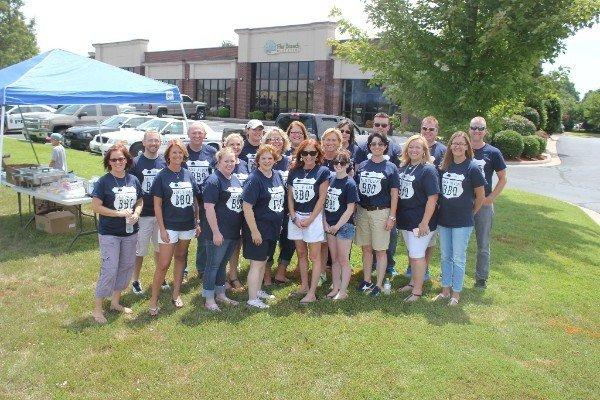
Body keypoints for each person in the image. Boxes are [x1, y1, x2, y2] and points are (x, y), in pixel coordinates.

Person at [90, 143, 143, 323]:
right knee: (109, 269)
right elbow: (96, 207)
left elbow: (140, 201)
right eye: (114, 159)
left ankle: (115, 302)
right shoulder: (103, 182)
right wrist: (118, 213)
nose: (119, 162)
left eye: (122, 158)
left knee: (126, 266)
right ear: (109, 162)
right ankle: (97, 309)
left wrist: (136, 213)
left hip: (130, 232)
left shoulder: (133, 180)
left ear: (127, 160)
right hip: (109, 233)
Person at [148, 140, 201, 316]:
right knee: (163, 264)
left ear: (184, 155)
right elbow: (157, 205)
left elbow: (194, 200)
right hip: (169, 226)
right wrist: (162, 229)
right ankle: (153, 299)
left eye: (180, 153)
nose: (177, 156)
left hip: (187, 225)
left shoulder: (188, 174)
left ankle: (176, 294)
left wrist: (197, 221)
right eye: (174, 153)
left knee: (181, 258)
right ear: (168, 156)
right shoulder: (162, 176)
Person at [434, 131, 485, 306]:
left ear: (467, 147)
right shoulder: (444, 166)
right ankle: (445, 290)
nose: (457, 146)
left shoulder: (472, 168)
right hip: (444, 219)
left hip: (462, 221)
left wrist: (471, 212)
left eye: (461, 144)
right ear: (450, 146)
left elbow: (480, 196)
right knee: (445, 256)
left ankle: (456, 294)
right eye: (454, 143)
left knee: (458, 257)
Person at [354, 112, 401, 277]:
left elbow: (395, 190)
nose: (377, 146)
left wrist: (392, 216)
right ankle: (367, 277)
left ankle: (386, 269)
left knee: (386, 243)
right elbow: (356, 180)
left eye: (383, 125)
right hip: (363, 210)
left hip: (383, 209)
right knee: (366, 247)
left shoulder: (395, 152)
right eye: (377, 125)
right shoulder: (362, 155)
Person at [396, 135, 440, 302]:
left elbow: (432, 198)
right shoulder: (405, 167)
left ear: (424, 151)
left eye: (418, 148)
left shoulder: (428, 170)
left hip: (421, 222)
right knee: (412, 253)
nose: (414, 150)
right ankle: (413, 282)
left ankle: (417, 291)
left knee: (417, 255)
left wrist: (424, 223)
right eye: (411, 147)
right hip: (406, 220)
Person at [242, 145, 286, 309]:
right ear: (257, 160)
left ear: (275, 160)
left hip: (272, 228)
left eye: (270, 158)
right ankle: (252, 299)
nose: (267, 161)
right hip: (258, 228)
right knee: (257, 263)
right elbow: (247, 207)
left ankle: (257, 290)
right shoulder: (254, 179)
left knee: (264, 260)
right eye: (263, 158)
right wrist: (254, 231)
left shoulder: (276, 176)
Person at [287, 139, 330, 303]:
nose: (309, 156)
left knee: (314, 256)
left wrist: (311, 219)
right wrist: (293, 216)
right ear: (301, 154)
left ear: (318, 153)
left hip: (313, 218)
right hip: (296, 217)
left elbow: (322, 199)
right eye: (305, 153)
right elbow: (290, 196)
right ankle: (304, 286)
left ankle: (312, 292)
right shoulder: (294, 171)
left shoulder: (323, 171)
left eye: (312, 153)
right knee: (301, 253)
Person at [404, 116, 447, 280]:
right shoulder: (412, 149)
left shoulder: (442, 151)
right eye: (424, 128)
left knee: (428, 241)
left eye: (431, 129)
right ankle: (414, 269)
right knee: (414, 241)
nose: (427, 132)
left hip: (432, 202)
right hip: (413, 205)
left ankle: (424, 270)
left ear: (437, 131)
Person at [201, 147, 243, 311]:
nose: (230, 164)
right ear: (218, 162)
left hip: (232, 231)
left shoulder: (235, 179)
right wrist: (216, 232)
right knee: (212, 265)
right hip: (217, 232)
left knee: (222, 264)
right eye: (226, 161)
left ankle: (221, 294)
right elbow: (209, 208)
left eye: (232, 161)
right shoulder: (213, 180)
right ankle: (209, 298)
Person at [469, 116, 507, 289]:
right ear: (469, 129)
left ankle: (481, 278)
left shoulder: (493, 152)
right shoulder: (462, 148)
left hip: (483, 205)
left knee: (483, 243)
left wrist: (490, 198)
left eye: (480, 128)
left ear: (485, 131)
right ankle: (452, 274)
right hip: (463, 203)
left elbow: (502, 179)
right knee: (457, 240)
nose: (477, 131)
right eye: (474, 127)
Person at [129, 130, 168, 295]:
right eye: (150, 141)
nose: (153, 144)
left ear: (160, 143)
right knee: (140, 250)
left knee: (160, 249)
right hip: (143, 214)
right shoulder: (135, 163)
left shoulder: (164, 162)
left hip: (161, 214)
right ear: (143, 143)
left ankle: (161, 277)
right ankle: (135, 280)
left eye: (156, 141)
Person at [323, 150, 359, 300]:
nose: (338, 165)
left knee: (344, 260)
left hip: (344, 227)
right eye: (336, 162)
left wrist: (337, 225)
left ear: (347, 165)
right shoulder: (330, 179)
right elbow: (323, 203)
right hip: (330, 225)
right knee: (335, 259)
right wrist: (325, 222)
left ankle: (343, 291)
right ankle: (335, 287)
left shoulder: (350, 183)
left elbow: (351, 208)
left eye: (342, 163)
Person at [184, 121, 217, 281]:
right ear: (188, 134)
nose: (197, 136)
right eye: (194, 133)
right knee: (182, 238)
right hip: (185, 200)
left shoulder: (211, 151)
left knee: (203, 236)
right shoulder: (183, 151)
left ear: (205, 135)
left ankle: (201, 268)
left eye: (200, 133)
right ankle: (181, 269)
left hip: (204, 200)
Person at [260, 128, 293, 286]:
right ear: (266, 142)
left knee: (289, 241)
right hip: (269, 209)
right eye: (272, 139)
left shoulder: (290, 161)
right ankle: (266, 276)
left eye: (279, 139)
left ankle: (281, 272)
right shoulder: (264, 159)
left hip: (289, 208)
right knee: (270, 242)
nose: (276, 142)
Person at [223, 133, 250, 292]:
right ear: (226, 145)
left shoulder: (245, 164)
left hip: (242, 211)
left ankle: (233, 275)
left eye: (238, 144)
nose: (235, 147)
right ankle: (222, 278)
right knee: (225, 245)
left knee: (237, 245)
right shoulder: (222, 163)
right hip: (226, 212)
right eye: (232, 144)